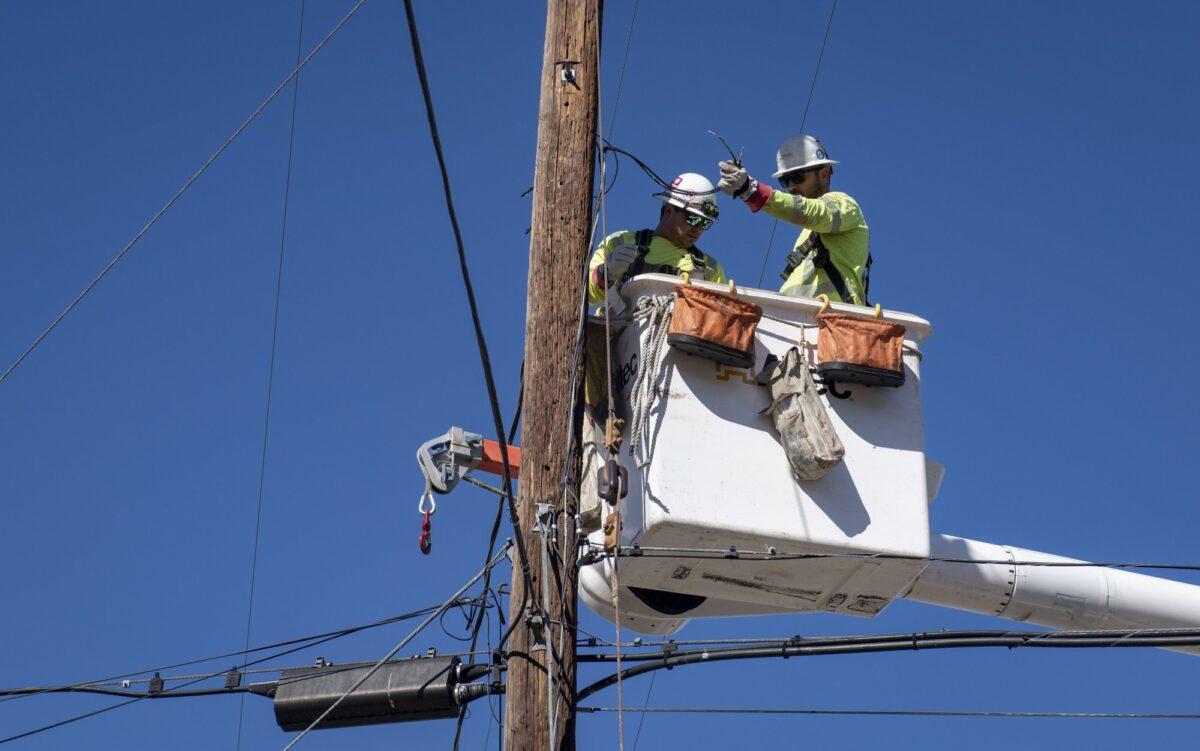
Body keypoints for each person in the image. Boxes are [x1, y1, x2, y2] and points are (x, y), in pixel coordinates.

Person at [717, 135, 871, 305]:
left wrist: (753, 191)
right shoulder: (809, 233)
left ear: (824, 174)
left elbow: (813, 211)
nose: (791, 187)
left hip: (835, 321)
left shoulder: (845, 205)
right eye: (785, 180)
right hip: (797, 320)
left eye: (797, 177)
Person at [587, 173, 726, 308]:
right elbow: (585, 296)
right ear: (669, 211)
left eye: (706, 223)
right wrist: (606, 273)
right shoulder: (620, 241)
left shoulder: (710, 269)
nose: (699, 229)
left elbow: (724, 318)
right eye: (693, 219)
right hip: (619, 330)